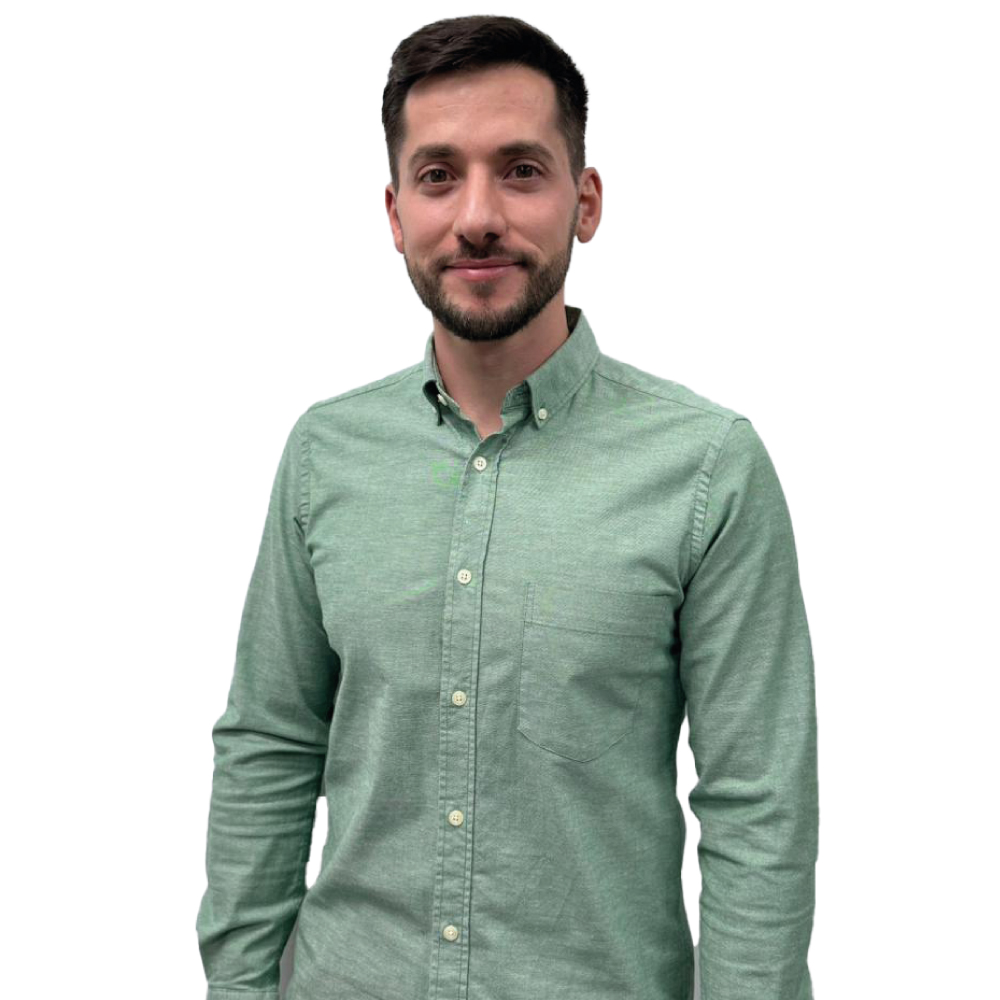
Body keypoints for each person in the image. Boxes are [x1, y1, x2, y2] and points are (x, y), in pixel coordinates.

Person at [195, 14, 819, 1000]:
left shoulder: (706, 468)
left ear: (585, 200)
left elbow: (759, 806)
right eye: (438, 176)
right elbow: (269, 747)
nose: (477, 216)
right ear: (395, 211)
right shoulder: (324, 455)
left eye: (521, 171)